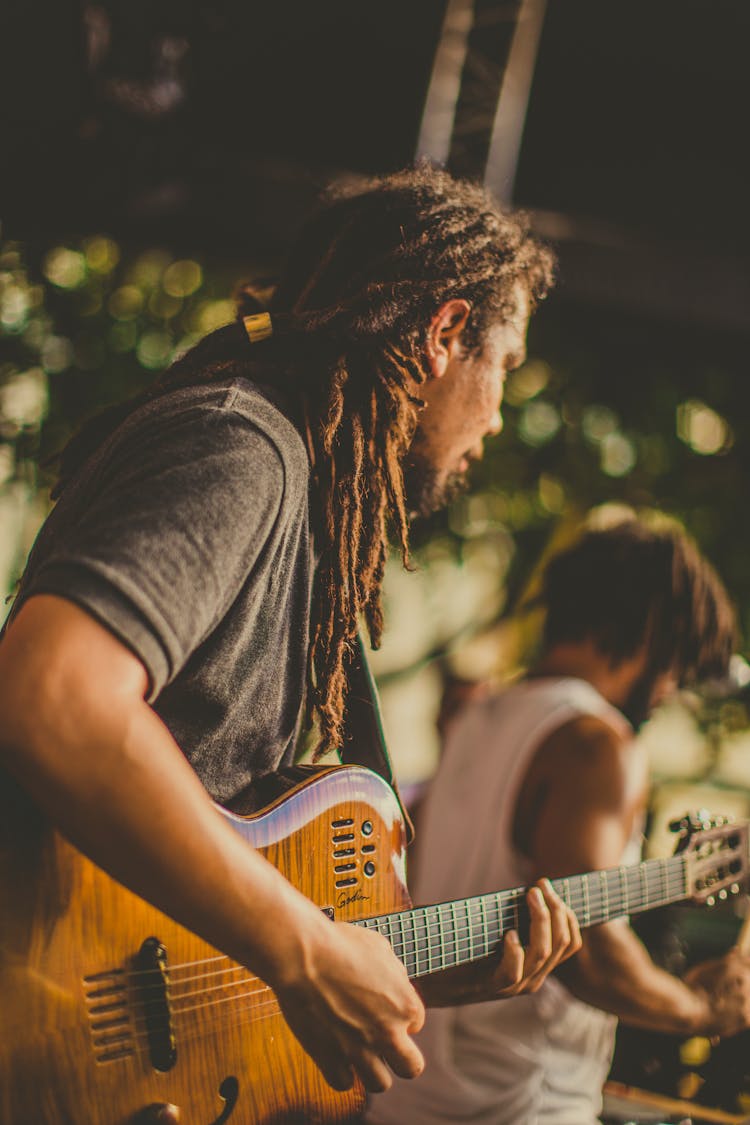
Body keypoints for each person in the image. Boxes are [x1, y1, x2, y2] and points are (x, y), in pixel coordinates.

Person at [0, 166, 581, 1109]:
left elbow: (195, 916)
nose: (499, 415)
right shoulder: (241, 448)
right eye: (504, 367)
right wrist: (304, 945)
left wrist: (407, 969)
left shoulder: (299, 491)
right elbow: (53, 694)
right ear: (445, 334)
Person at [368, 515, 750, 1125]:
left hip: (406, 1093)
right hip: (520, 1105)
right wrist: (699, 1010)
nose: (673, 686)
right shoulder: (599, 743)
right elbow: (588, 951)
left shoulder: (480, 716)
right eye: (678, 657)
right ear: (649, 627)